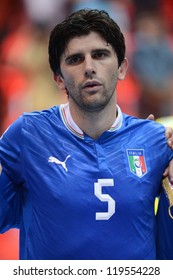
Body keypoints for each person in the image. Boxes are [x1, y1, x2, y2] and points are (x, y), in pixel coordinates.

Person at [0, 9, 173, 260]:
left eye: (100, 55)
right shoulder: (28, 135)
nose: (89, 67)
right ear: (58, 79)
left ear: (122, 68)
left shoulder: (156, 142)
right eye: (75, 59)